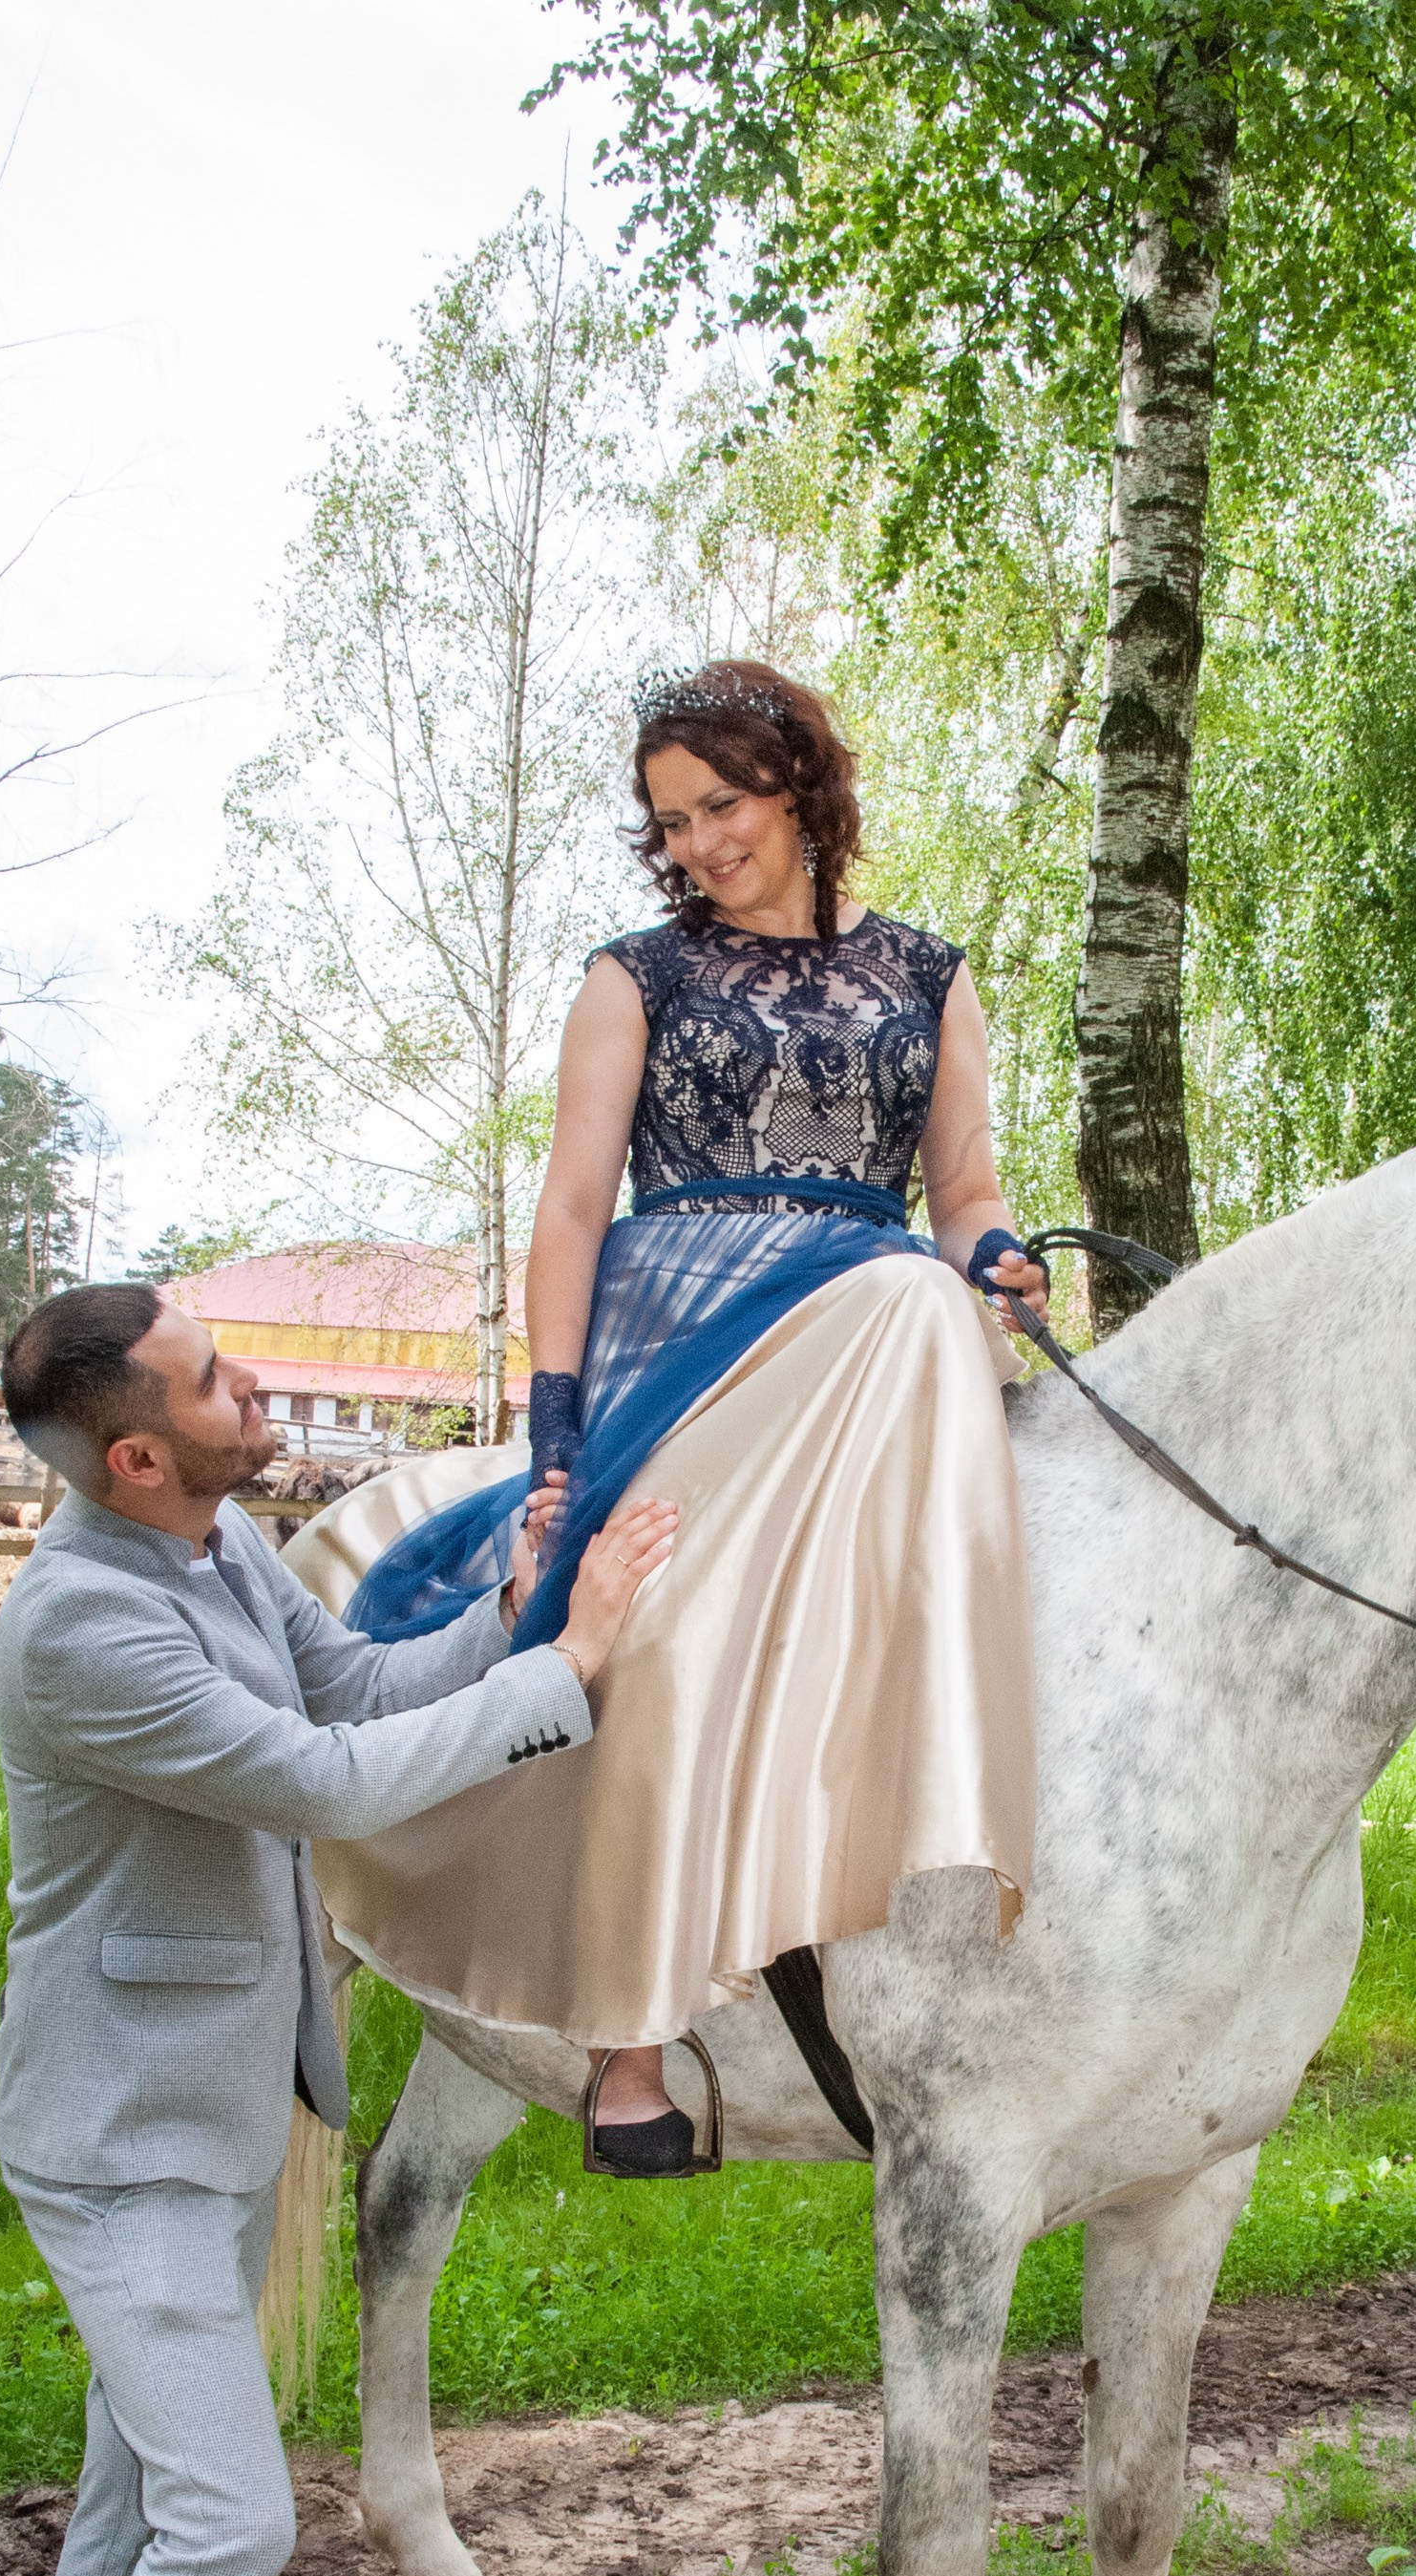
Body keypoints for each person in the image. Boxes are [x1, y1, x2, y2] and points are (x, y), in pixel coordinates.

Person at [0, 1279, 674, 2576]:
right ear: (137, 1454)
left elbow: (360, 1679)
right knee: (230, 2521)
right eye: (216, 1379)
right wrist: (571, 1671)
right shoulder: (81, 1628)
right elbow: (329, 1779)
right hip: (122, 2141)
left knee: (139, 2510)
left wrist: (517, 1611)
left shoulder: (214, 1555)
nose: (253, 1383)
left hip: (212, 2112)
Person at [334, 660, 1044, 2175]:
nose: (699, 843)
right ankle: (627, 2039)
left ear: (800, 785)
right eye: (670, 822)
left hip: (867, 1321)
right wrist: (556, 1435)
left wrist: (995, 1254)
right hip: (685, 1322)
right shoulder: (632, 977)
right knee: (644, 1603)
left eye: (720, 804)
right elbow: (573, 1209)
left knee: (929, 1291)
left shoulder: (928, 975)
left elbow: (965, 1196)